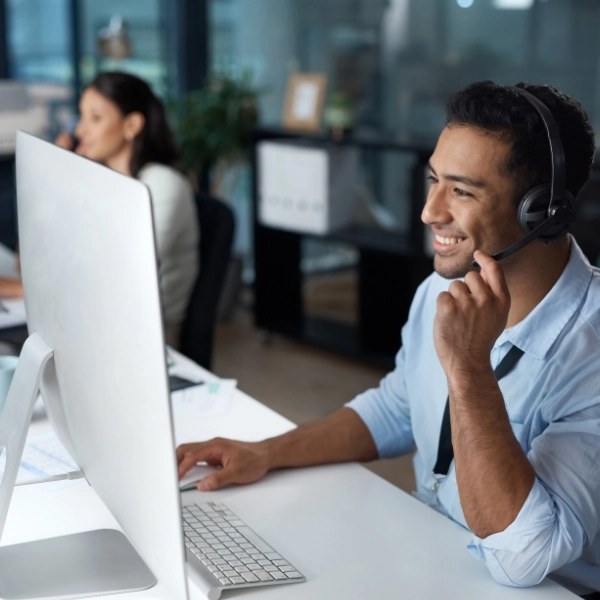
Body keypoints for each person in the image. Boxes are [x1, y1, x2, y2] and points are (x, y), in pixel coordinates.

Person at [177, 81, 600, 597]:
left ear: (541, 211)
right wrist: (267, 452)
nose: (429, 211)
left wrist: (469, 369)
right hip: (431, 553)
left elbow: (526, 556)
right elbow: (400, 406)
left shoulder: (590, 345)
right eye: (433, 180)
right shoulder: (441, 289)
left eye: (462, 190)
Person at [56, 72, 199, 347]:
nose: (80, 131)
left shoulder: (163, 185)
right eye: (81, 117)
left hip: (147, 339)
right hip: (100, 321)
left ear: (131, 124)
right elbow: (37, 257)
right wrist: (62, 179)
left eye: (95, 118)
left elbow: (113, 276)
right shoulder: (103, 181)